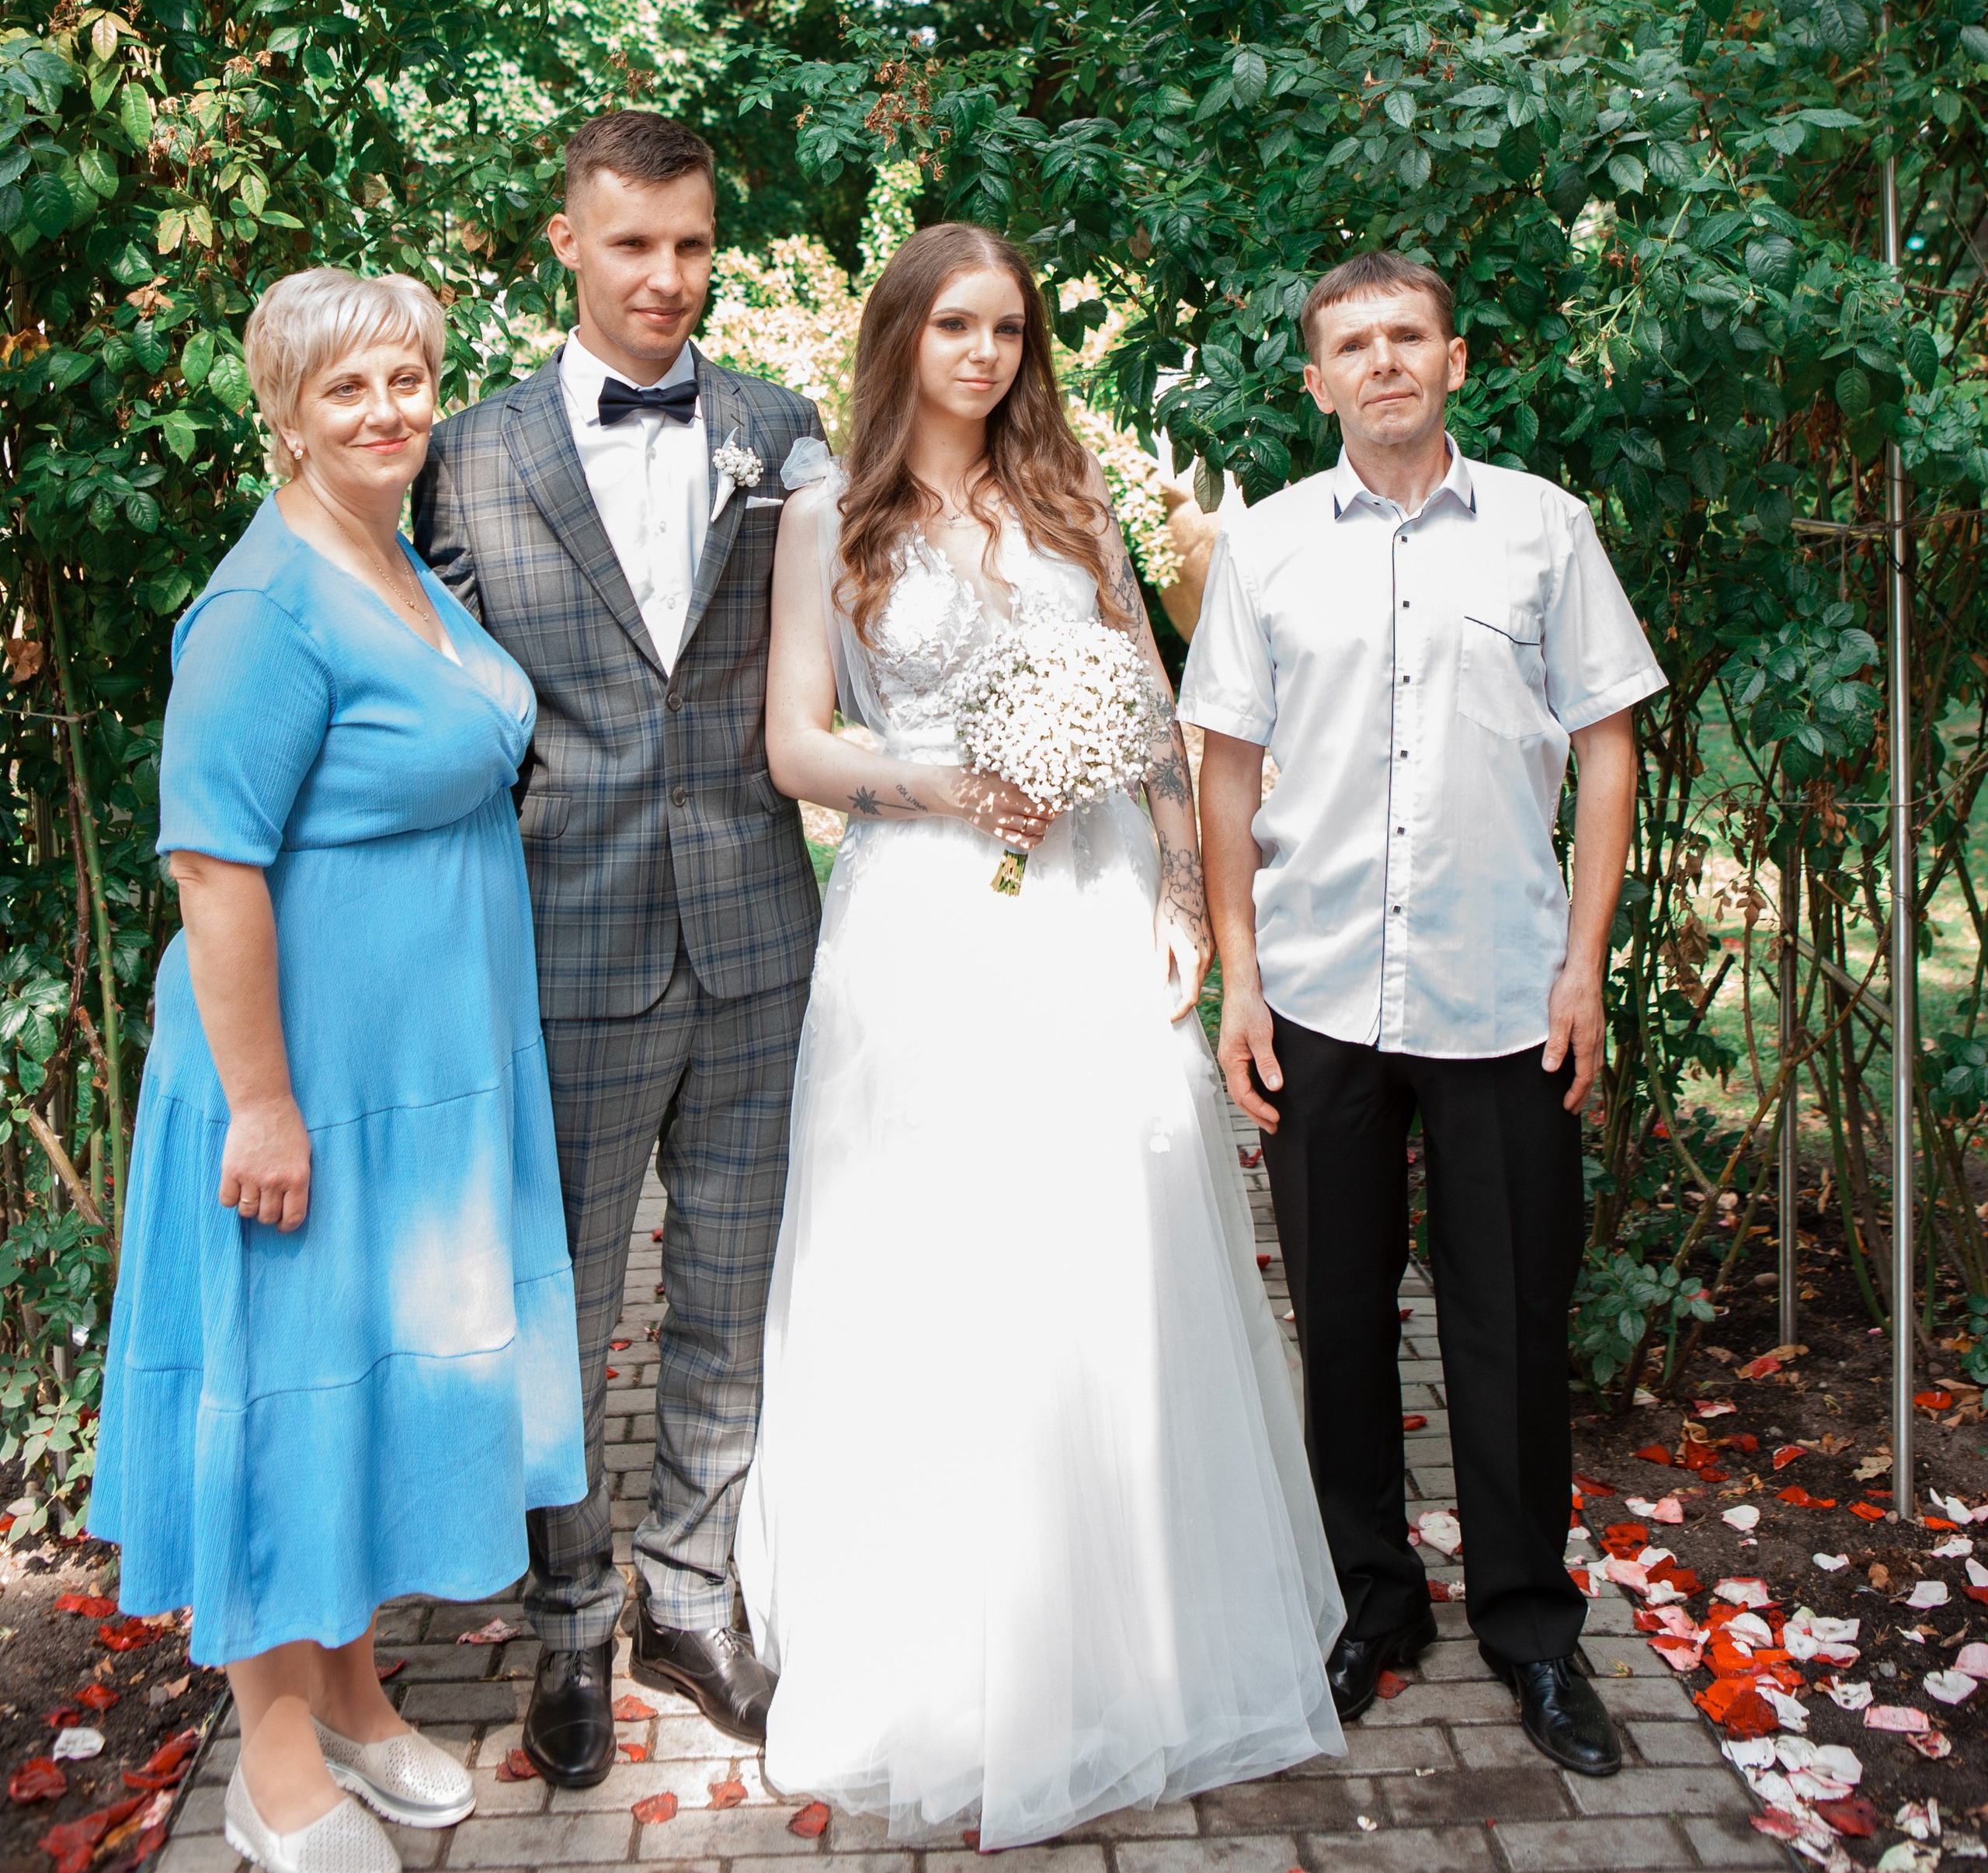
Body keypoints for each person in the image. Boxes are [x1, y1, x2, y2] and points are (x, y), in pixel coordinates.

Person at [736, 222, 1344, 1850]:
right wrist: (946, 782)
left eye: (1007, 327)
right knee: (940, 1265)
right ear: (899, 339)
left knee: (1106, 1254)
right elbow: (797, 744)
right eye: (954, 325)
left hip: (1085, 918)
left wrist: (1166, 886)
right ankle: (947, 1663)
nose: (984, 354)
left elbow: (1153, 714)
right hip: (922, 920)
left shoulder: (1070, 501)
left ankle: (1133, 1644)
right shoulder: (826, 519)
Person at [90, 267, 587, 1873]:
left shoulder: (386, 558)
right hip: (294, 1081)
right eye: (345, 390)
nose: (386, 412)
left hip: (416, 1077)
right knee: (283, 1394)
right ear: (283, 411)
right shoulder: (263, 605)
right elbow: (212, 868)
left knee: (367, 1387)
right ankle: (275, 1756)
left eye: (404, 379)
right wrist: (260, 1102)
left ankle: (361, 1697)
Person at [1180, 248, 1665, 1781]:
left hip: (1501, 999)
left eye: (1404, 335)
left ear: (1453, 359)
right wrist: (1237, 974)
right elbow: (1226, 773)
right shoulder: (1258, 552)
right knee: (1333, 1319)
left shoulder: (1543, 529)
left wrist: (1581, 962)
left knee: (1510, 1322)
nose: (1380, 359)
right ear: (1314, 380)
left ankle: (1529, 1628)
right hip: (1317, 994)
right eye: (1349, 342)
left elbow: (1604, 750)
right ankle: (1369, 1602)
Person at [412, 112, 823, 1788]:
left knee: (729, 1293)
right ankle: (571, 1611)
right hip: (560, 938)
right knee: (563, 1307)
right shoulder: (468, 454)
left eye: (693, 244)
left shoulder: (780, 431)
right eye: (634, 243)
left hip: (751, 931)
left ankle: (691, 1589)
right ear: (566, 244)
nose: (668, 277)